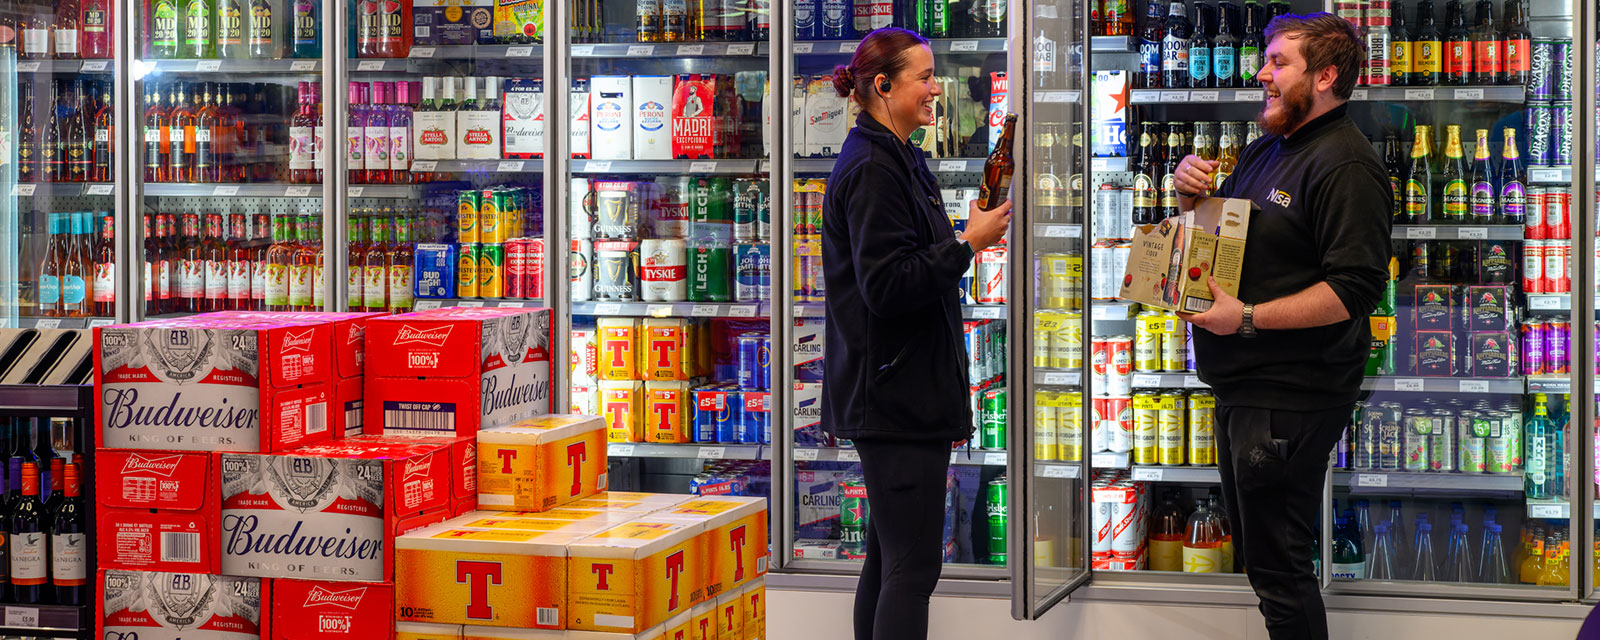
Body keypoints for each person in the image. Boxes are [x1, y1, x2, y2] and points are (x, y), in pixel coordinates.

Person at [1172, 13, 1391, 640]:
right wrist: (1190, 198)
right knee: (1263, 561)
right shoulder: (1267, 148)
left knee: (1280, 572)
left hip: (1291, 395)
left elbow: (1354, 290)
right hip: (1245, 388)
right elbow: (1225, 238)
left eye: (1278, 63)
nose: (1262, 74)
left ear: (1324, 76)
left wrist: (1245, 317)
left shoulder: (1346, 164)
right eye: (1265, 61)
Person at [819, 27, 1011, 640]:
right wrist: (967, 244)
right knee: (913, 566)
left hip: (900, 392)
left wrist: (963, 237)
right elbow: (888, 285)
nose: (936, 89)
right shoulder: (874, 168)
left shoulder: (898, 155)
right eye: (924, 77)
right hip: (893, 400)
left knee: (889, 559)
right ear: (883, 86)